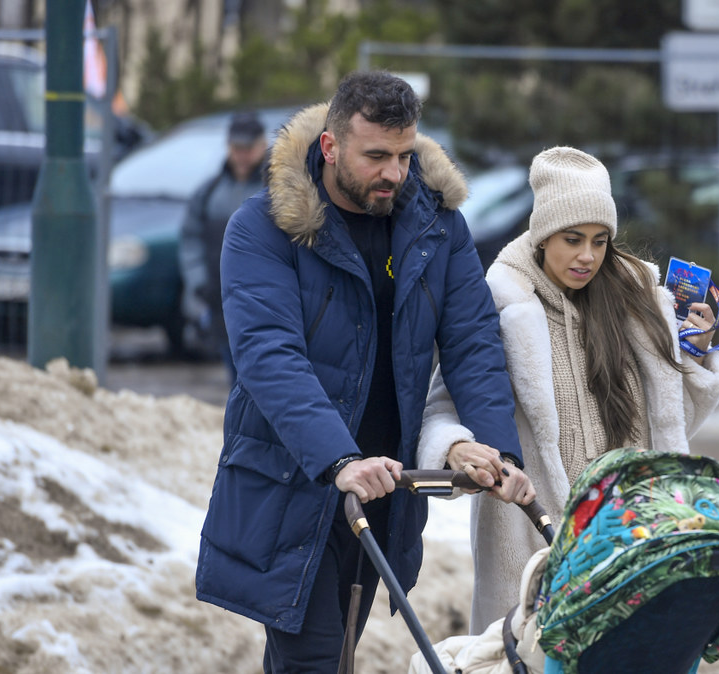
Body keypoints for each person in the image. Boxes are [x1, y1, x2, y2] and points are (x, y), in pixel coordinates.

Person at [194, 71, 534, 673]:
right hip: (294, 477)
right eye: (376, 155)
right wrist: (339, 460)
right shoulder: (263, 227)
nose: (395, 173)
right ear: (330, 148)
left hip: (386, 484)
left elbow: (471, 340)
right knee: (315, 657)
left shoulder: (436, 227)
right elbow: (269, 357)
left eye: (405, 155)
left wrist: (498, 449)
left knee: (341, 646)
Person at [417, 146, 719, 633]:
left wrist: (694, 350)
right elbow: (439, 408)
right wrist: (458, 447)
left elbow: (671, 428)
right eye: (572, 239)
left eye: (601, 240)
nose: (588, 256)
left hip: (633, 542)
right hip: (534, 551)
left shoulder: (635, 298)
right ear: (543, 235)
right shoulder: (501, 302)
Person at [179, 110, 268, 380]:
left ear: (263, 145)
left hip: (263, 304)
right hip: (221, 306)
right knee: (237, 380)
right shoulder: (208, 193)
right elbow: (190, 240)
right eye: (236, 147)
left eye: (248, 147)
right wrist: (198, 284)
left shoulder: (278, 189)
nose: (242, 154)